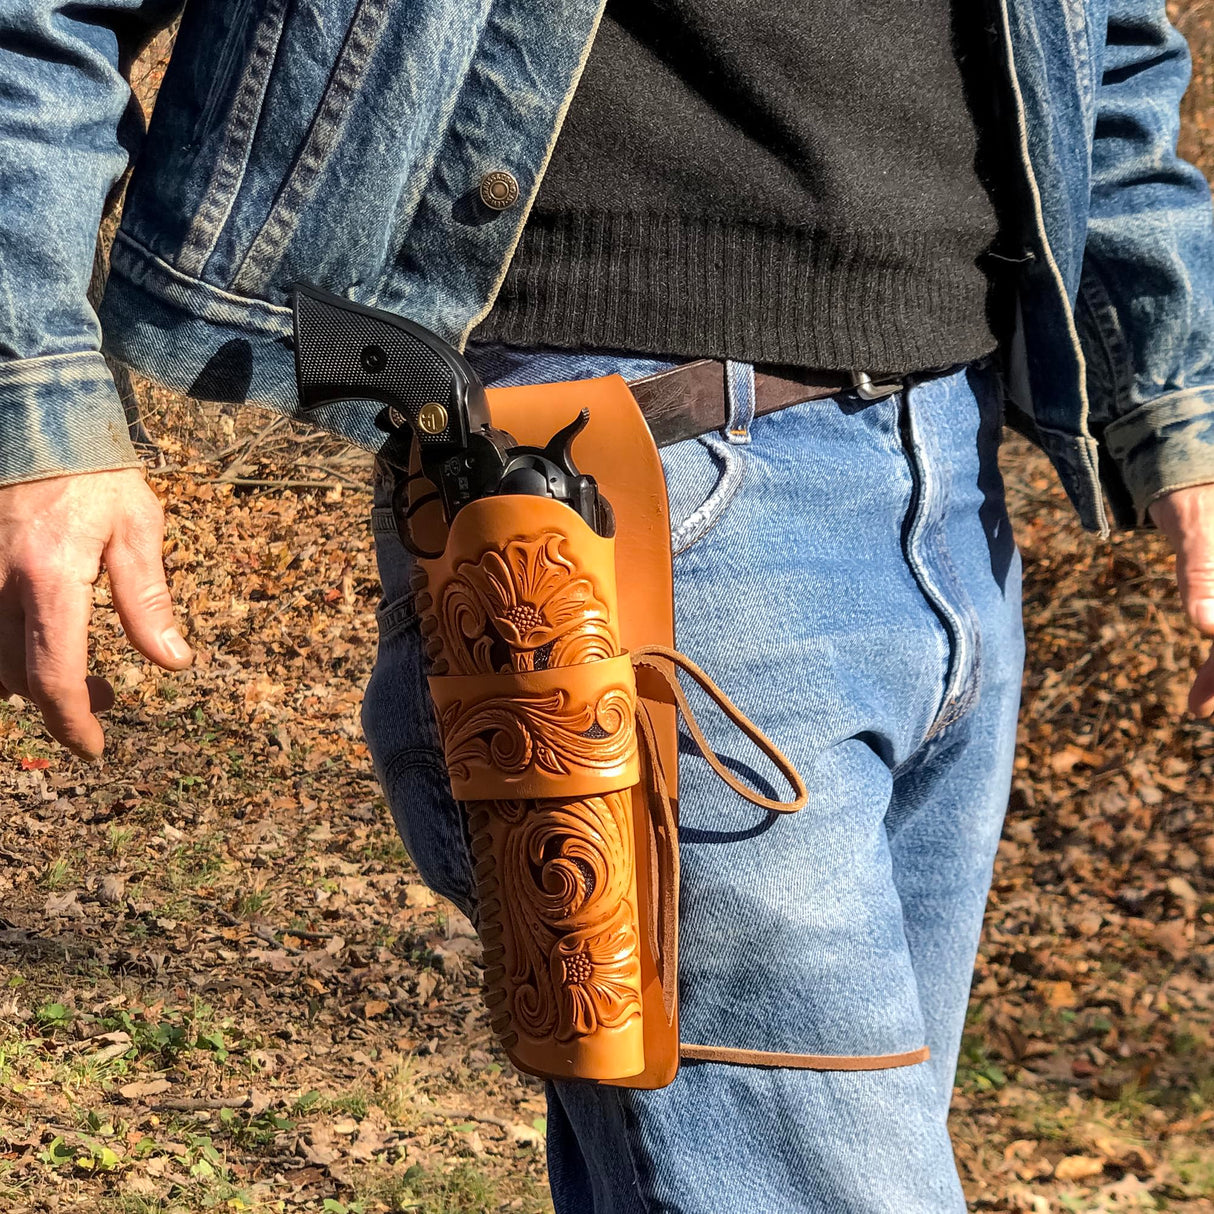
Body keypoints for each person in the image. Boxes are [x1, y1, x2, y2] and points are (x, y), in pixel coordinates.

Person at [1, 0, 1211, 1209]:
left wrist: (1182, 414)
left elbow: (1106, 53)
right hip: (619, 500)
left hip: (952, 469)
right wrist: (36, 397)